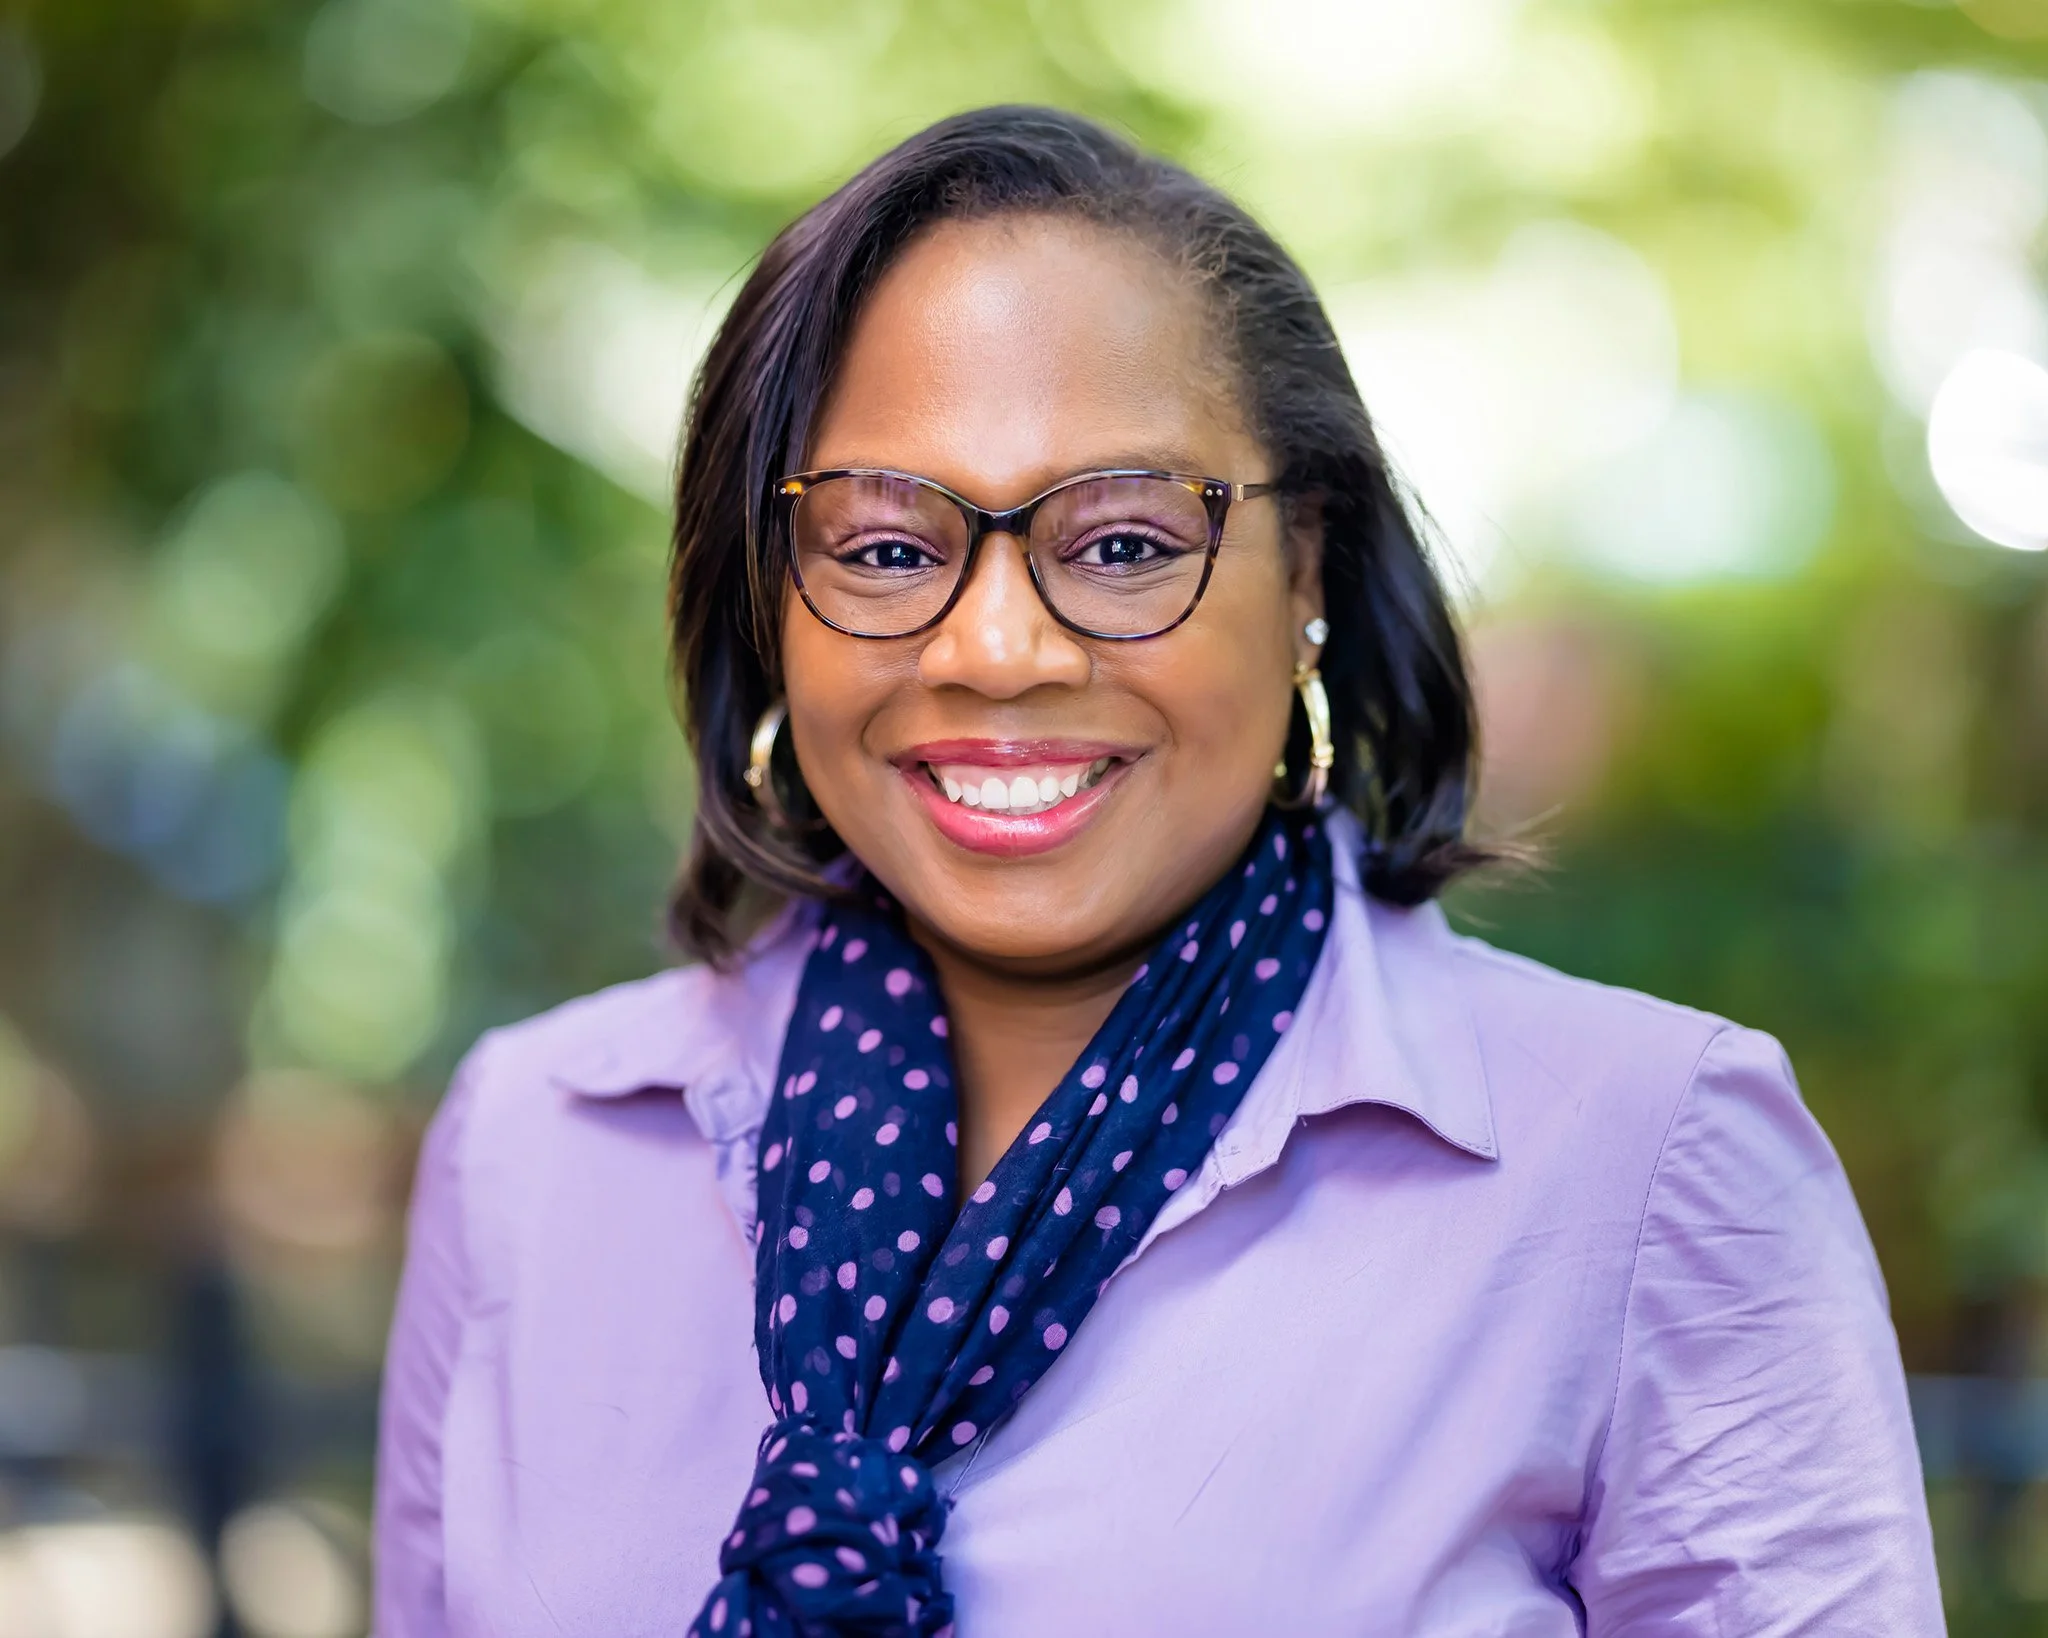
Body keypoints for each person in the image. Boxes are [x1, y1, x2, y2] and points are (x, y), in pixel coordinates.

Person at [373, 106, 1944, 1637]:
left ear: (1306, 566)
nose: (997, 647)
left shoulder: (1650, 1164)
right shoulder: (533, 1146)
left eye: (1123, 544)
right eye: (888, 547)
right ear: (768, 599)